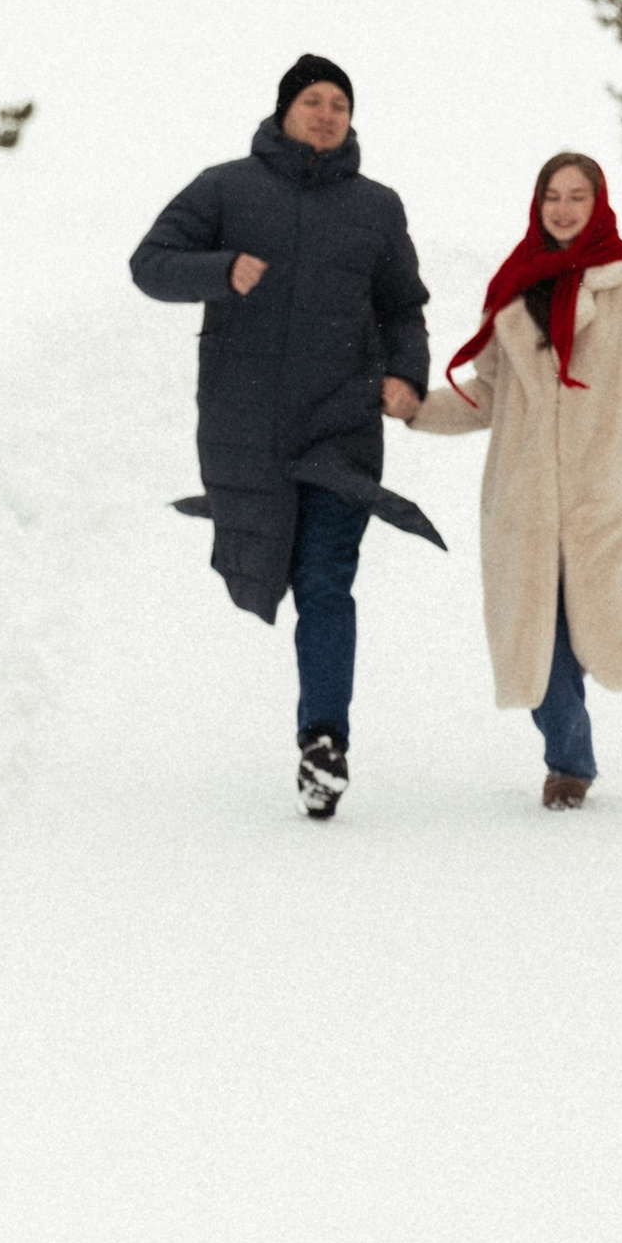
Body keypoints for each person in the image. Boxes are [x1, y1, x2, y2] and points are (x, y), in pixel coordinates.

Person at [130, 56, 438, 821]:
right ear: (284, 110)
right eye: (313, 101)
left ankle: (324, 740)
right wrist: (222, 268)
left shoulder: (377, 205)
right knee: (272, 569)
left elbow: (404, 307)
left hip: (342, 426)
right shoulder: (226, 188)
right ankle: (320, 730)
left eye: (340, 103)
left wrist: (407, 375)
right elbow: (149, 265)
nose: (327, 114)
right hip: (248, 424)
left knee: (327, 581)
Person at [408, 150, 622, 807]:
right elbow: (487, 397)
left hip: (607, 500)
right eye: (551, 198)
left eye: (576, 197)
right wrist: (414, 408)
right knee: (544, 644)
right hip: (525, 504)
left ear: (599, 205)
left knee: (616, 644)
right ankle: (569, 763)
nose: (562, 209)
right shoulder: (512, 290)